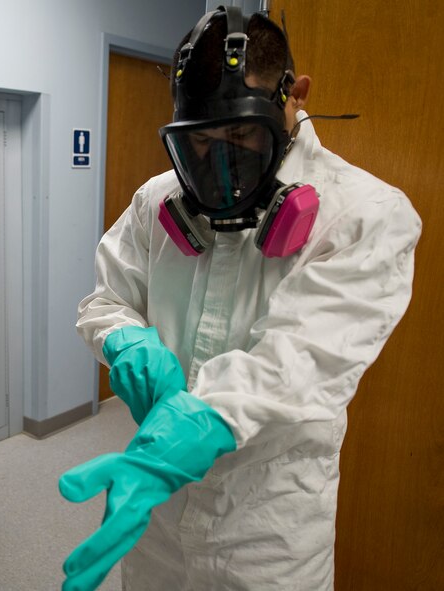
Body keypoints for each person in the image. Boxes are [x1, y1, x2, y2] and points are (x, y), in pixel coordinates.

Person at [60, 6, 421, 591]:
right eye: (199, 141)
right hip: (160, 507)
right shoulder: (159, 200)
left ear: (294, 97)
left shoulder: (364, 215)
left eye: (241, 135)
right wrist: (124, 342)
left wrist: (203, 419)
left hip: (268, 528)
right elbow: (105, 301)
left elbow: (302, 360)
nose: (217, 163)